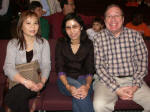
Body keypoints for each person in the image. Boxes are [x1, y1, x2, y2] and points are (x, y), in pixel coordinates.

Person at [93, 4, 150, 112]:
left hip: (133, 79)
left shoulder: (135, 36)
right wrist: (117, 89)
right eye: (109, 16)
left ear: (123, 19)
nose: (113, 19)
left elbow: (142, 63)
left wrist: (135, 86)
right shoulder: (98, 38)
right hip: (106, 81)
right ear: (105, 21)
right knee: (99, 105)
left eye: (117, 15)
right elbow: (99, 67)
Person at [3, 10, 51, 112]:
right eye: (28, 23)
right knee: (20, 91)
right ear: (21, 26)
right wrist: (25, 81)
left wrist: (42, 83)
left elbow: (46, 65)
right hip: (18, 81)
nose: (33, 27)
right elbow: (8, 67)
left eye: (35, 23)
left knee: (11, 97)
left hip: (37, 80)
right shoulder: (13, 44)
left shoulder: (43, 43)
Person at [55, 13, 95, 112]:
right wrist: (68, 86)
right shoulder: (61, 43)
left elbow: (90, 68)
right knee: (79, 90)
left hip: (85, 81)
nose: (71, 31)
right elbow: (59, 68)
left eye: (75, 27)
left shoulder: (88, 44)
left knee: (80, 95)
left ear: (81, 27)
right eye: (68, 27)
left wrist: (87, 86)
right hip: (65, 80)